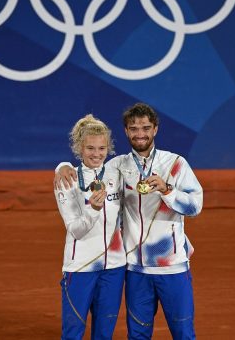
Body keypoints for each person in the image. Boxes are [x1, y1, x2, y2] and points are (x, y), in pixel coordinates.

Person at [55, 103, 203, 340]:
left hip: (172, 266)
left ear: (155, 129)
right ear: (126, 131)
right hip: (135, 268)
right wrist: (61, 167)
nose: (140, 133)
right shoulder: (118, 166)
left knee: (184, 333)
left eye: (146, 128)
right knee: (138, 335)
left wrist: (167, 190)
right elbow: (89, 165)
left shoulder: (175, 163)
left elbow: (195, 207)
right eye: (134, 129)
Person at [55, 114, 126, 340]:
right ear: (79, 148)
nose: (96, 154)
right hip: (80, 267)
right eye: (90, 148)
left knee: (104, 334)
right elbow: (75, 229)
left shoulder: (118, 173)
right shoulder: (67, 180)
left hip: (114, 267)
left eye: (102, 148)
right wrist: (93, 210)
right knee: (73, 333)